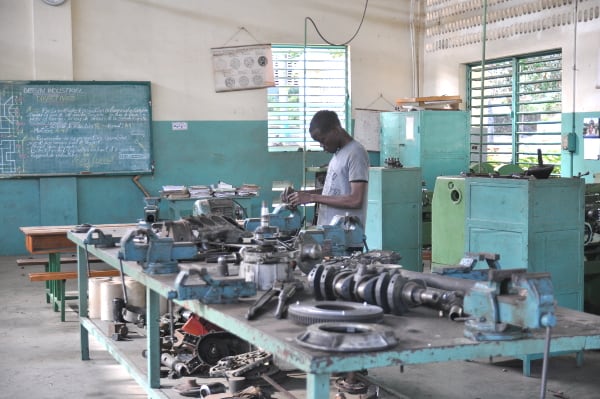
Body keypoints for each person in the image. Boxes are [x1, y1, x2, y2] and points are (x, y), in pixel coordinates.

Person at [282, 110, 370, 226]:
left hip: (347, 235)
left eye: (323, 140)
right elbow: (332, 192)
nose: (322, 146)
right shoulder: (339, 154)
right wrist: (299, 195)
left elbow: (356, 200)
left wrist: (312, 197)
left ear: (336, 130)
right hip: (331, 233)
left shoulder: (356, 153)